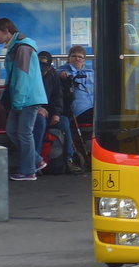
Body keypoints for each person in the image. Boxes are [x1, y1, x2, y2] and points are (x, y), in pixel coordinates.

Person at [0, 17, 47, 181]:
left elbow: (23, 77)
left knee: (23, 133)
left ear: (6, 31)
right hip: (24, 97)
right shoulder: (18, 46)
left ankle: (29, 170)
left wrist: (17, 101)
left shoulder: (22, 48)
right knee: (14, 131)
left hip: (27, 98)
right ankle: (36, 161)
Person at [58, 45, 94, 173]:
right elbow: (61, 74)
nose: (77, 59)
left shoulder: (90, 73)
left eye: (80, 57)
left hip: (92, 108)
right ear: (69, 58)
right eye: (74, 56)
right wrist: (66, 74)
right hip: (78, 111)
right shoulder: (63, 71)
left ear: (84, 60)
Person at [33, 50, 64, 173]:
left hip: (50, 111)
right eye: (40, 69)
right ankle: (37, 161)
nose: (42, 72)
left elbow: (58, 96)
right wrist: (37, 108)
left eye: (44, 69)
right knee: (40, 123)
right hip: (35, 111)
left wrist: (56, 114)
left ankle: (67, 160)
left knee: (65, 123)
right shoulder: (31, 75)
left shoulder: (53, 75)